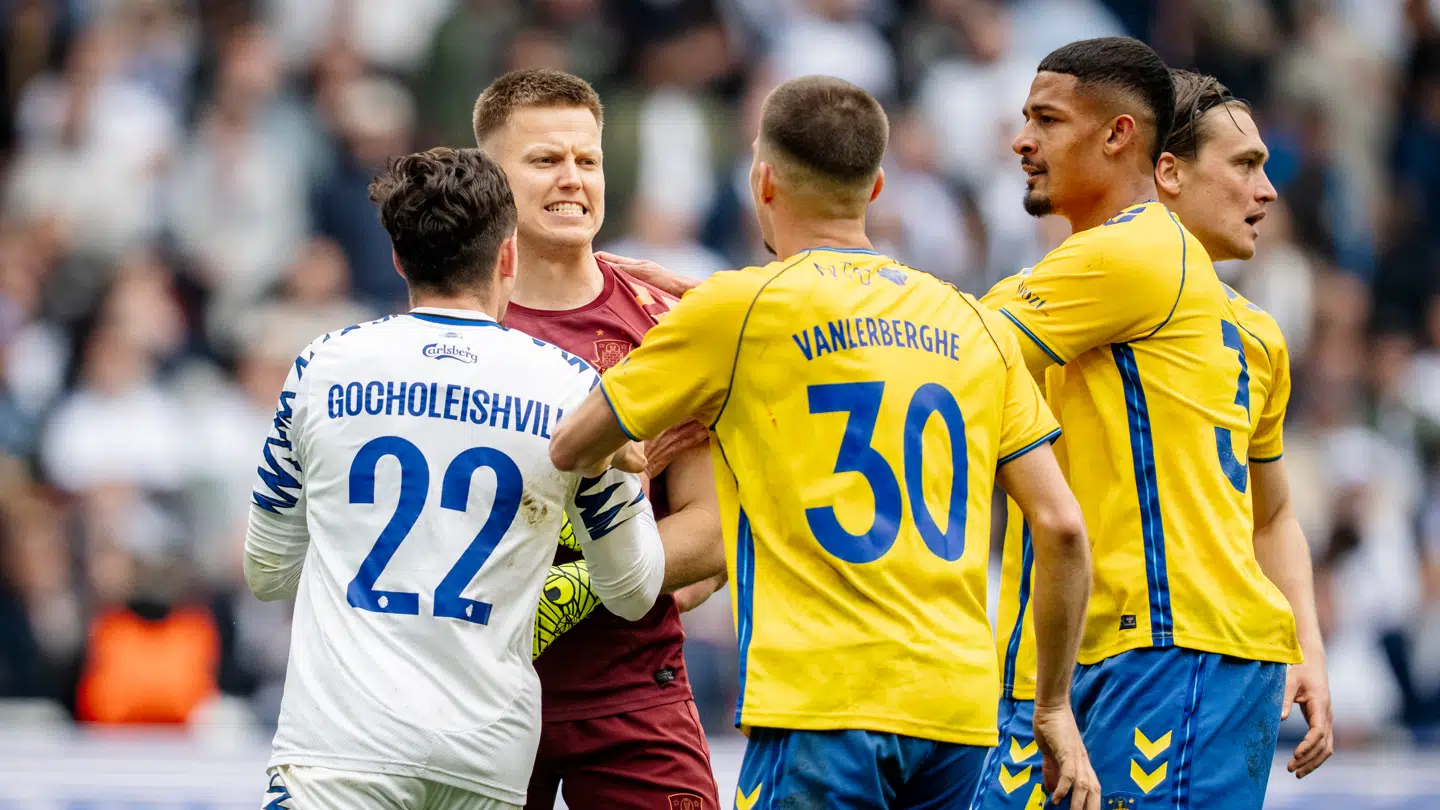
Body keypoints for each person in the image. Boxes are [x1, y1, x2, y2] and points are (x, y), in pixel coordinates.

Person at [549, 74, 1100, 810]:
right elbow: (1062, 526)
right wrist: (1053, 705)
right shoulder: (976, 325)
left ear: (764, 180)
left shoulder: (736, 311)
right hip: (958, 712)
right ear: (876, 188)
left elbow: (570, 445)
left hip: (822, 703)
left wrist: (672, 423)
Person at [242, 146, 664, 810]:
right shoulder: (570, 390)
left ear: (399, 260)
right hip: (485, 754)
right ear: (506, 257)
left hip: (341, 747)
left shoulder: (322, 367)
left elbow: (267, 572)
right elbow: (635, 591)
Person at [970, 64, 1335, 810]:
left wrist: (1308, 649)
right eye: (1246, 165)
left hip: (1187, 651)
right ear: (1166, 172)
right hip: (1079, 658)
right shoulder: (1106, 273)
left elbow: (1271, 516)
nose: (1267, 191)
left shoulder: (1257, 336)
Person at [470, 68, 725, 809]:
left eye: (588, 160)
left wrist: (570, 589)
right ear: (492, 176)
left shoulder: (667, 325)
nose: (572, 180)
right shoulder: (452, 319)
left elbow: (711, 534)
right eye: (546, 160)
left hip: (633, 693)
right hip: (476, 693)